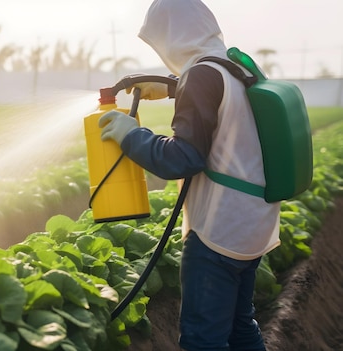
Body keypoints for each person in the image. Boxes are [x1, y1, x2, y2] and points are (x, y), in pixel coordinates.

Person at [98, 0, 281, 350]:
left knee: (203, 340)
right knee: (241, 327)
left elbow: (182, 159)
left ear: (172, 36)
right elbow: (225, 102)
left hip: (219, 230)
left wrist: (129, 134)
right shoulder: (235, 64)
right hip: (253, 221)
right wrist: (174, 85)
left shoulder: (201, 75)